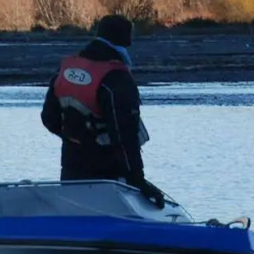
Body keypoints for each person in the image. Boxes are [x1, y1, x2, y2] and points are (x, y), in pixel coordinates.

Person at [41, 13, 166, 207]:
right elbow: (125, 136)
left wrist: (76, 138)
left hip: (71, 167)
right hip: (108, 172)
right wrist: (139, 181)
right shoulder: (116, 78)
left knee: (77, 219)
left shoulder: (66, 71)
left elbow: (48, 118)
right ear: (127, 38)